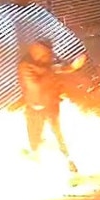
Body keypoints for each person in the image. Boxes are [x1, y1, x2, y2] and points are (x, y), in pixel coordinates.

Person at [17, 39, 87, 173]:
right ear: (36, 52)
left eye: (48, 54)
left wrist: (72, 67)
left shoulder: (43, 64)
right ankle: (37, 164)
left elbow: (54, 69)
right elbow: (35, 84)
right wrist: (54, 71)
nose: (48, 57)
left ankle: (68, 162)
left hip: (50, 104)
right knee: (36, 140)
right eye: (45, 54)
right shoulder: (26, 65)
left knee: (58, 134)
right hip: (36, 106)